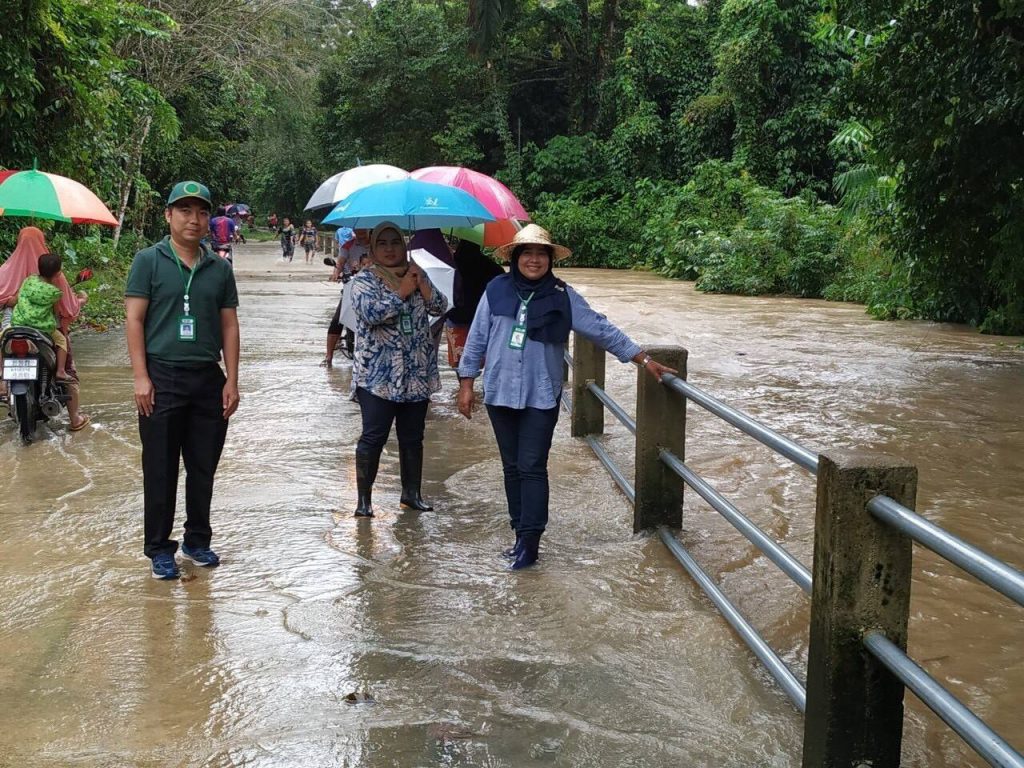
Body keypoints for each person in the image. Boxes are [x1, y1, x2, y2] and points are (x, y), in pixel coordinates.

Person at [456, 225, 675, 570]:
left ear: (549, 260)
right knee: (511, 468)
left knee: (531, 466)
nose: (533, 259)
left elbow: (600, 329)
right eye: (526, 253)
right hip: (499, 391)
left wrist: (643, 359)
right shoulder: (495, 290)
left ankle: (530, 543)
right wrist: (466, 384)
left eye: (540, 254)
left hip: (540, 395)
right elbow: (477, 337)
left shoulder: (563, 295)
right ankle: (518, 535)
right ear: (515, 258)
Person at [125, 180, 240, 580]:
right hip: (161, 376)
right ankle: (159, 548)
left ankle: (197, 540)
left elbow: (229, 326)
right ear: (169, 215)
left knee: (203, 466)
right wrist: (141, 377)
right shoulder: (148, 261)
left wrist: (232, 380)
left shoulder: (220, 268)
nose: (194, 219)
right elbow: (134, 320)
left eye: (202, 212)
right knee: (160, 467)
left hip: (208, 378)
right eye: (185, 211)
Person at [349, 222, 447, 517]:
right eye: (383, 244)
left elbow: (440, 307)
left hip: (416, 374)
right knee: (373, 436)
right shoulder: (364, 280)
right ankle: (364, 502)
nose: (390, 249)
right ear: (374, 249)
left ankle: (411, 494)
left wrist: (424, 286)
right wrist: (402, 293)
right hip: (377, 377)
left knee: (413, 437)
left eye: (395, 242)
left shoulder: (417, 274)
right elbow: (370, 314)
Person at [0, 226, 90, 430]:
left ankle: (2, 379)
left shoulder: (13, 274)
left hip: (14, 325)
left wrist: (10, 302)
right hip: (44, 331)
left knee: (2, 343)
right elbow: (68, 307)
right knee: (67, 367)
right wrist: (81, 301)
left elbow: (9, 298)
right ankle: (74, 417)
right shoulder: (56, 283)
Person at [446, 239, 504, 368]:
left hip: (456, 315)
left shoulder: (449, 264)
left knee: (458, 359)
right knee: (483, 358)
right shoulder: (492, 267)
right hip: (483, 319)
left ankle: (463, 386)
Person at [323, 229, 370, 367]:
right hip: (352, 285)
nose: (361, 230)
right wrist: (336, 273)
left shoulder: (377, 245)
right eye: (358, 227)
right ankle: (328, 356)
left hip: (373, 286)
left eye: (364, 227)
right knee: (338, 319)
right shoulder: (347, 246)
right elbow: (340, 263)